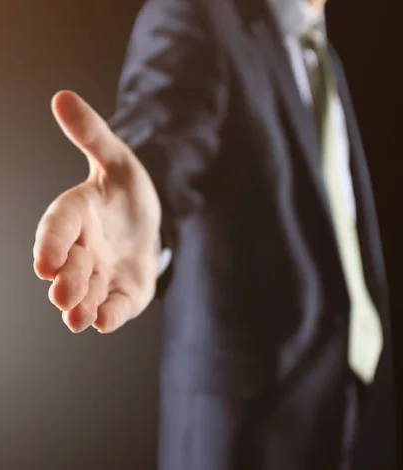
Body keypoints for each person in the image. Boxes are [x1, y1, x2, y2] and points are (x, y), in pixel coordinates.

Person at [32, 0, 396, 468]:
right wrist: (146, 194)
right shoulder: (195, 15)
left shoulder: (323, 54)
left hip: (353, 406)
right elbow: (166, 126)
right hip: (250, 433)